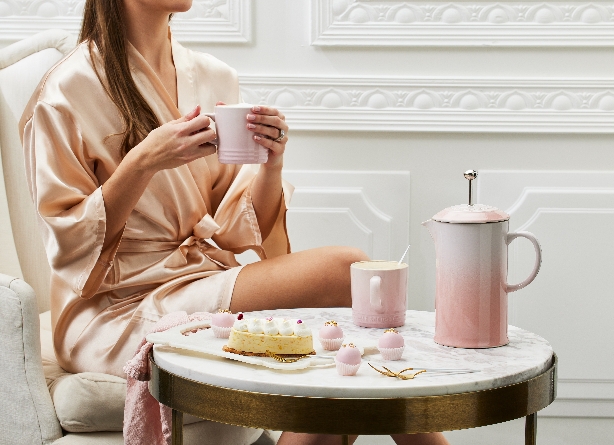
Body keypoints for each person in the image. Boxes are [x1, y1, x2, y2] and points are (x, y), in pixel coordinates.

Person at [20, 1, 449, 444]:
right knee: (350, 271)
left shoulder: (211, 75)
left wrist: (271, 164)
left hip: (196, 278)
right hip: (114, 308)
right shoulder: (66, 92)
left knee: (347, 344)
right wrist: (143, 161)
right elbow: (68, 248)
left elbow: (234, 225)